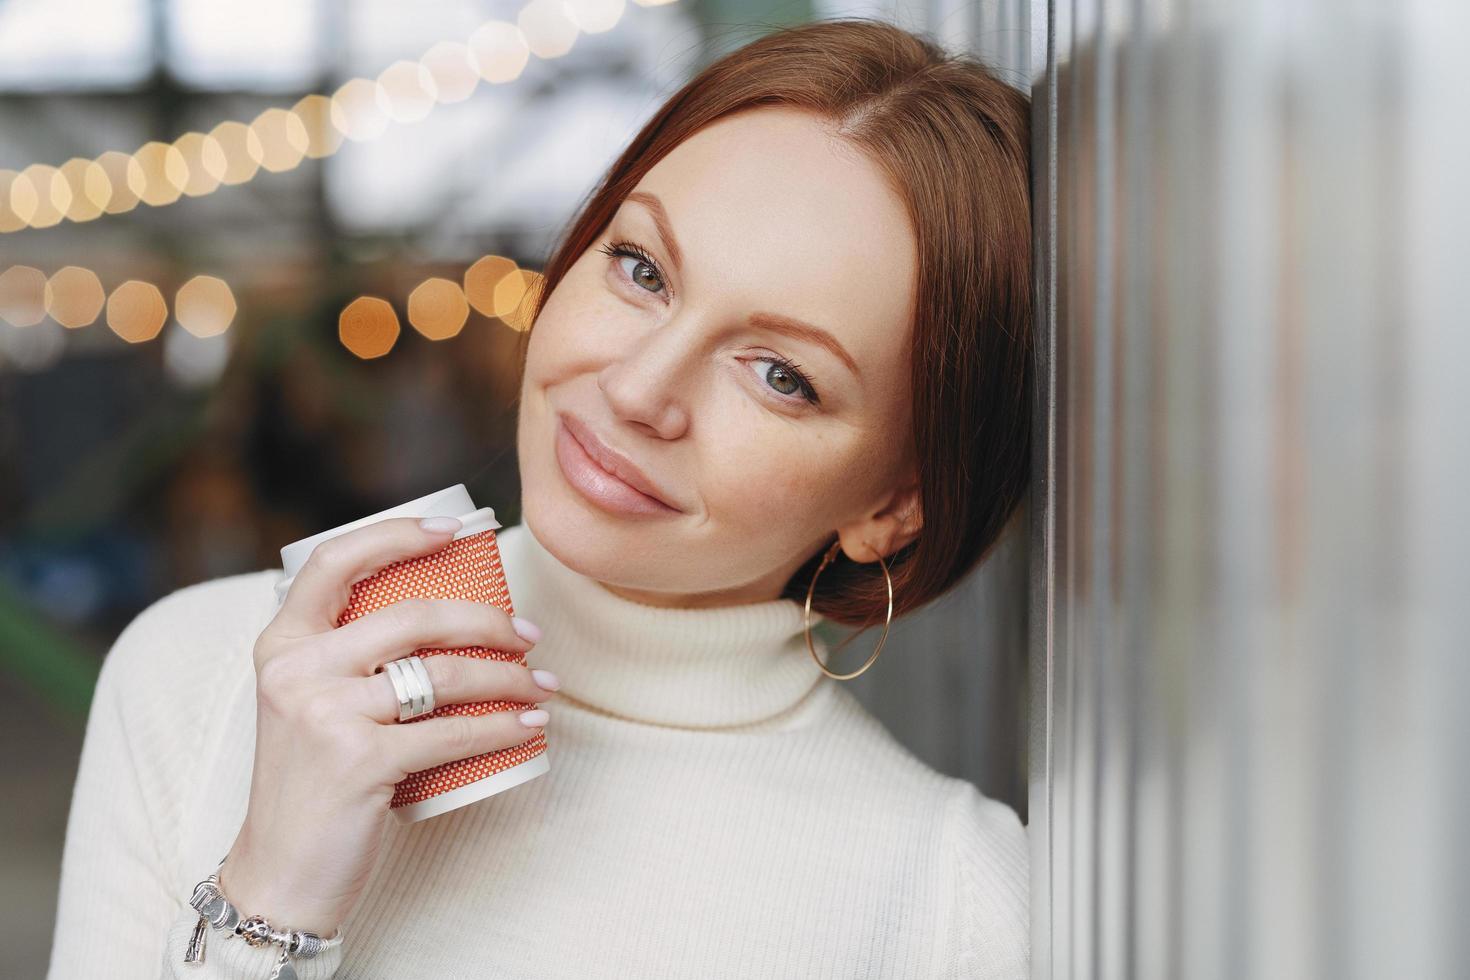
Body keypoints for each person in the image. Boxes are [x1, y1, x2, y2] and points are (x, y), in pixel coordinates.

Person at [46, 17, 1033, 979]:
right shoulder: (200, 674)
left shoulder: (957, 905)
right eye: (641, 268)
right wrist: (265, 905)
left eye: (780, 373)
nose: (639, 389)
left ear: (893, 507)